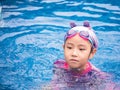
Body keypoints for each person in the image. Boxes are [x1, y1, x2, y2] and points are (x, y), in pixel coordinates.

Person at [42, 21, 118, 90]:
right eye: (69, 47)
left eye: (81, 49)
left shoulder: (96, 76)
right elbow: (54, 83)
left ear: (92, 53)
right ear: (63, 48)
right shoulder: (58, 65)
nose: (74, 53)